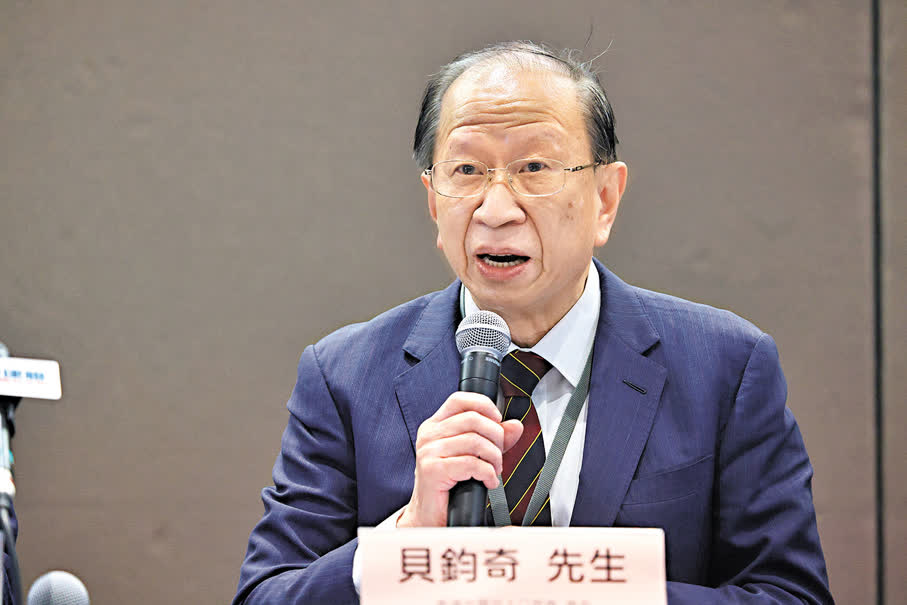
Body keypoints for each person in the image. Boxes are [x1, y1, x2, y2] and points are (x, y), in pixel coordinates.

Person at [233, 41, 834, 604]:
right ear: (433, 200)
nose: (496, 209)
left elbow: (790, 594)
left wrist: (574, 589)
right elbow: (265, 594)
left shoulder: (725, 368)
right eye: (466, 171)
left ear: (605, 199)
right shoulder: (344, 376)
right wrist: (405, 537)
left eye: (535, 168)